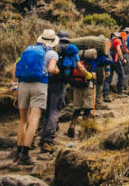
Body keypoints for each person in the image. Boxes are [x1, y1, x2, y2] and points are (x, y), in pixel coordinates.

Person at [10, 30, 60, 165]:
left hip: (23, 84)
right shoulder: (52, 53)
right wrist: (56, 70)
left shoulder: (29, 49)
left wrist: (15, 85)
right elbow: (50, 69)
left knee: (23, 120)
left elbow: (15, 66)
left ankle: (18, 152)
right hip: (39, 85)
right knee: (34, 118)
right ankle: (26, 154)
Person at [38, 31, 71, 154]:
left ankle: (42, 138)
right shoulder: (70, 51)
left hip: (45, 83)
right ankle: (48, 140)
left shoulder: (48, 50)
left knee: (46, 111)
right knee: (54, 110)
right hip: (60, 84)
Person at [65, 44, 96, 138]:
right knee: (87, 108)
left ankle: (72, 125)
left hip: (76, 84)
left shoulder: (75, 57)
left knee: (77, 107)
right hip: (88, 83)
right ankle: (83, 131)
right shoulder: (93, 57)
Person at [103, 32, 125, 102]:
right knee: (121, 74)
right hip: (115, 61)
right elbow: (118, 50)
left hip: (108, 61)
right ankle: (120, 91)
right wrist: (122, 59)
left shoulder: (109, 41)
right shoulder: (117, 40)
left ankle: (105, 94)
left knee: (108, 77)